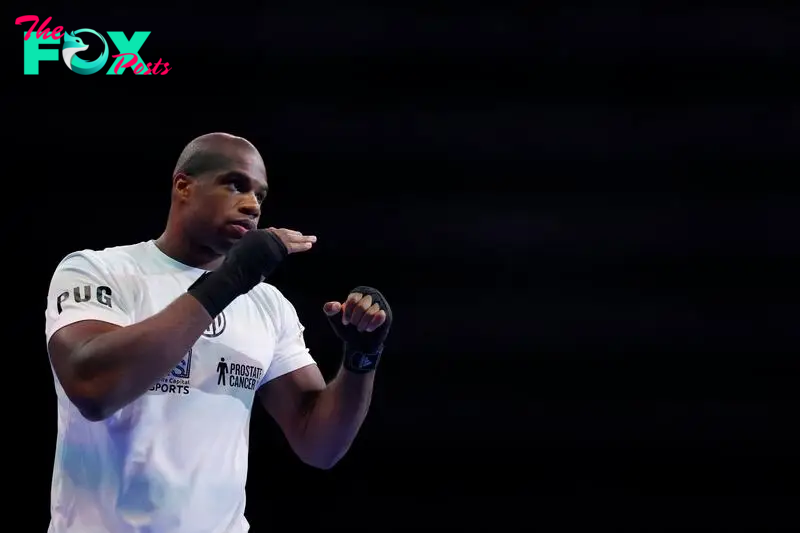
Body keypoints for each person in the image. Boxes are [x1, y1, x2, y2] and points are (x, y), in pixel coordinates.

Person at [44, 132, 393, 533]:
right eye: (235, 185)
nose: (251, 205)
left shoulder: (268, 304)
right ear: (184, 186)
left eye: (260, 196)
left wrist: (361, 357)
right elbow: (93, 388)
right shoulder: (98, 270)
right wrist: (232, 278)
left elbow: (320, 446)